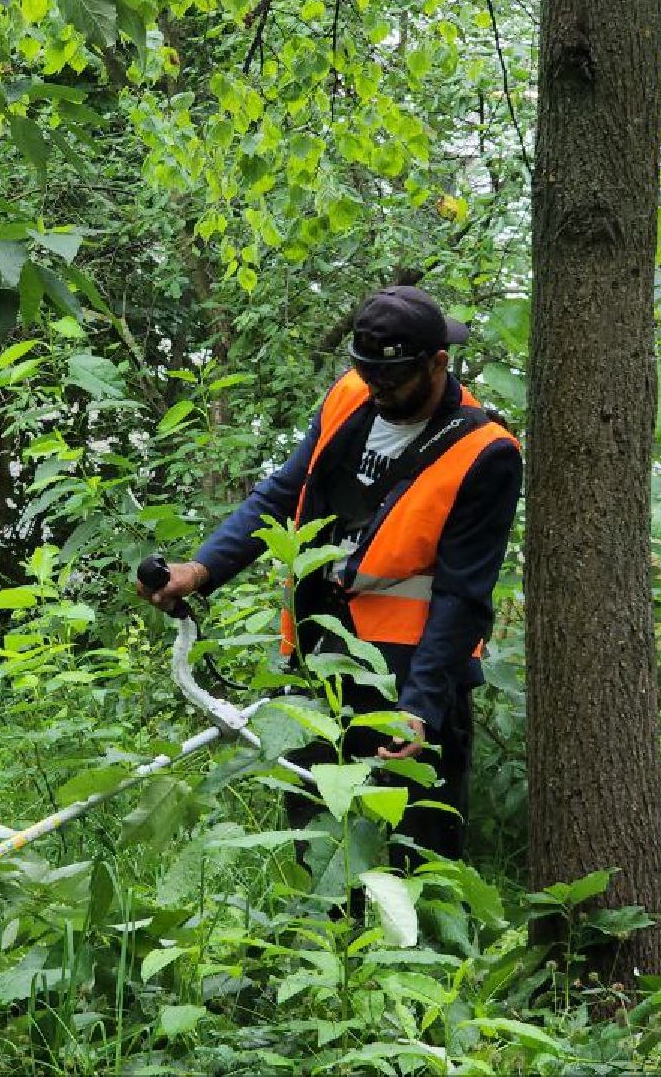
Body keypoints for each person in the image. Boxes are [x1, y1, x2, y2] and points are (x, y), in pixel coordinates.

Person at [139, 285, 522, 873]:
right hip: (319, 651)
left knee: (421, 853)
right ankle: (321, 950)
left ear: (438, 363)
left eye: (393, 381)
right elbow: (281, 493)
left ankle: (422, 960)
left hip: (412, 673)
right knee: (316, 841)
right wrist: (201, 569)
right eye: (369, 377)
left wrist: (420, 707)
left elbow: (462, 595)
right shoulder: (350, 398)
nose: (379, 393)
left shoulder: (485, 452)